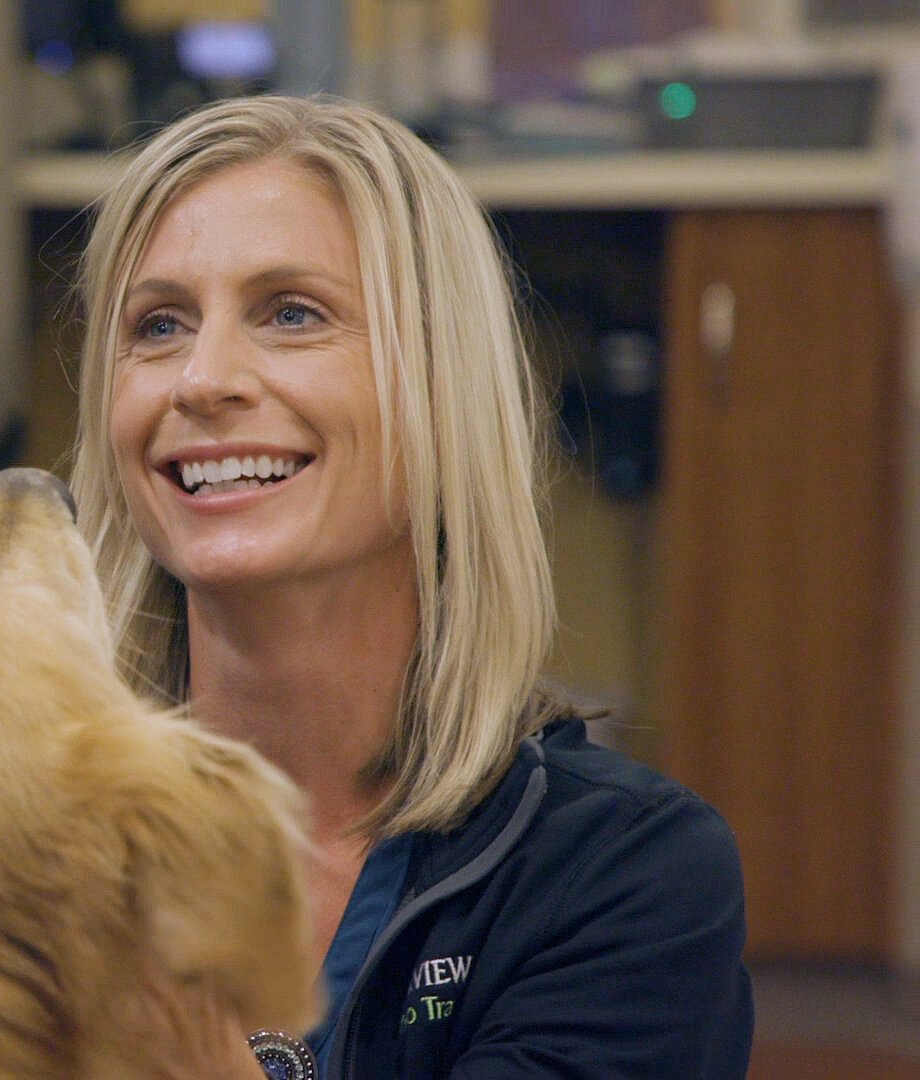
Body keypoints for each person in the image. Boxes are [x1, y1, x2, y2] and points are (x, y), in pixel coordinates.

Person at [69, 96, 754, 1078]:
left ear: (441, 391)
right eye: (159, 325)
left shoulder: (623, 875)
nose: (201, 379)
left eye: (292, 313)